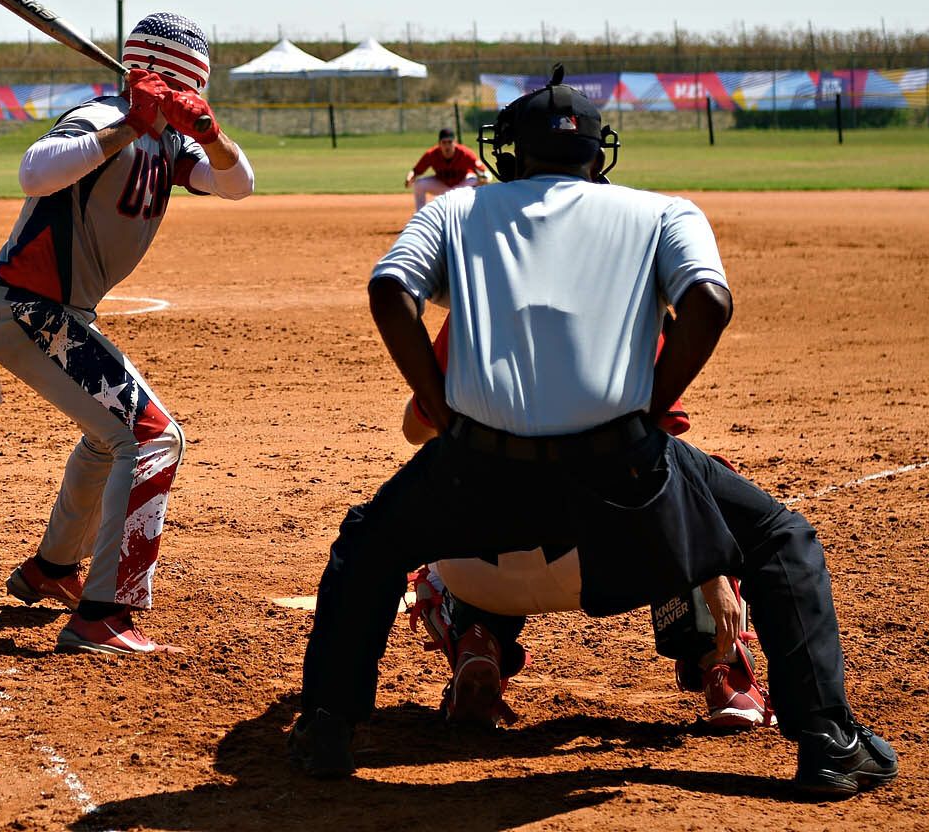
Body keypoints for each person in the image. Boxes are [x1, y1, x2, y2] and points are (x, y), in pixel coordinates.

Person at [289, 67, 897, 799]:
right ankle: (826, 741)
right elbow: (709, 300)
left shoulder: (456, 211)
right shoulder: (664, 212)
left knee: (368, 544)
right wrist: (652, 406)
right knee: (778, 538)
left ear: (508, 153)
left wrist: (437, 401)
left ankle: (327, 728)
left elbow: (391, 290)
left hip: (481, 467)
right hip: (623, 475)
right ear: (597, 155)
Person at [0, 13, 254, 655]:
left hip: (54, 314)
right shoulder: (104, 118)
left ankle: (52, 568)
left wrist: (210, 134)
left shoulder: (173, 145)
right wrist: (128, 123)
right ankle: (105, 612)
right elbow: (33, 171)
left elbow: (239, 183)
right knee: (155, 438)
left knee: (110, 439)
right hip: (30, 308)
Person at [398, 322, 773, 733]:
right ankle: (719, 664)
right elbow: (663, 462)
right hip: (603, 567)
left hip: (481, 576)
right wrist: (710, 568)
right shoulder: (624, 301)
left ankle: (477, 638)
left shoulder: (478, 304)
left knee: (461, 477)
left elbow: (415, 430)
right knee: (694, 473)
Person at [405, 127, 488, 211]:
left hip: (461, 186)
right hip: (442, 185)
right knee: (418, 184)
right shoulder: (432, 154)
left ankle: (476, 211)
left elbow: (484, 172)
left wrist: (483, 179)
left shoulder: (465, 153)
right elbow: (415, 171)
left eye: (450, 142)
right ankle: (421, 216)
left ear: (455, 142)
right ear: (439, 143)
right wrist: (410, 177)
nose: (447, 146)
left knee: (479, 179)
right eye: (444, 142)